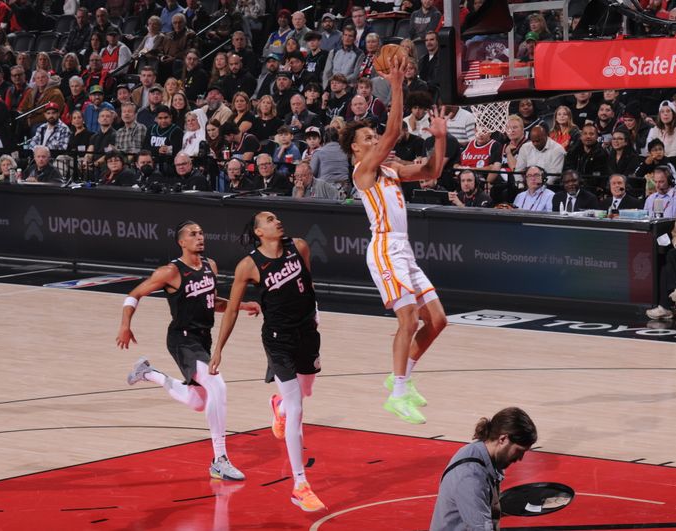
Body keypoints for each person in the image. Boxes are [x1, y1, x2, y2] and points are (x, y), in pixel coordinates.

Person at [339, 57, 447, 424]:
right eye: (366, 138)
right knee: (409, 320)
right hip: (384, 248)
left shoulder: (390, 168)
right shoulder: (363, 170)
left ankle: (401, 376)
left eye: (373, 136)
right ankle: (398, 392)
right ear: (356, 149)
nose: (374, 140)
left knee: (438, 320)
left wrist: (441, 139)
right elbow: (390, 135)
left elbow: (433, 171)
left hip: (403, 248)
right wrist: (396, 85)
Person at [119, 221, 260, 483]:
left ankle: (148, 373)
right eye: (193, 235)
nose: (200, 237)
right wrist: (125, 325)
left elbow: (212, 302)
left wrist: (241, 305)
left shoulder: (210, 266)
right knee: (218, 385)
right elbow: (134, 294)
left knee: (198, 402)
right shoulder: (170, 272)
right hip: (182, 340)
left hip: (202, 339)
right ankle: (219, 460)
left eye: (201, 233)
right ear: (181, 242)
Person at [209, 211, 327, 512]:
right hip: (278, 339)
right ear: (259, 232)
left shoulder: (299, 246)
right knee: (299, 407)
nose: (277, 221)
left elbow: (308, 286)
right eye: (270, 219)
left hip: (307, 332)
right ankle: (300, 485)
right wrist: (218, 349)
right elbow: (232, 310)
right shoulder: (248, 266)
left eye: (277, 218)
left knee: (307, 391)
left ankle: (278, 406)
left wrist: (316, 315)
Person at [429, 407, 538, 531]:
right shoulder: (471, 477)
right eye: (519, 451)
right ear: (503, 439)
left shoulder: (481, 453)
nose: (520, 458)